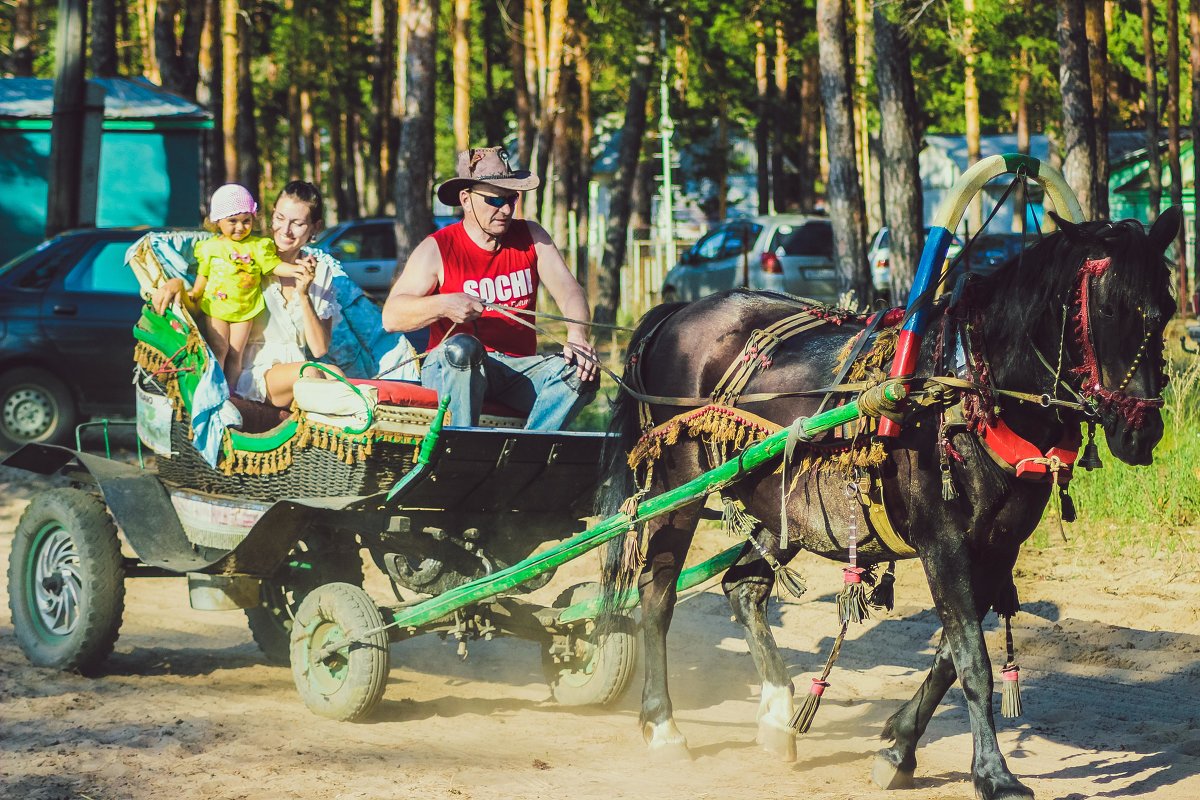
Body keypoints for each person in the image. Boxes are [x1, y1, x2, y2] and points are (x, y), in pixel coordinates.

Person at [382, 146, 598, 430]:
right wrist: (444, 304)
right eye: (495, 200)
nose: (507, 209)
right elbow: (391, 317)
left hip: (517, 370)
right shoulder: (438, 247)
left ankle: (525, 456)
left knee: (581, 372)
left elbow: (570, 291)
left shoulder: (532, 236)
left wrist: (577, 335)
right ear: (466, 199)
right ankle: (462, 452)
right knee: (463, 348)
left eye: (512, 198)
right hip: (453, 367)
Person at [154, 181, 346, 408]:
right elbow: (205, 296)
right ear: (272, 216)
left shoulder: (320, 271)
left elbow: (319, 349)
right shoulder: (247, 257)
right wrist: (176, 284)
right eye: (280, 218)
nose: (285, 230)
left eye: (297, 223)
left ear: (315, 227)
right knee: (310, 372)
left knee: (336, 374)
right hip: (252, 370)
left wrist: (304, 295)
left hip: (296, 368)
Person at [190, 183, 305, 388]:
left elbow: (274, 265)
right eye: (232, 221)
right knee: (219, 347)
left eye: (246, 221)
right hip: (216, 307)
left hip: (245, 310)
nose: (240, 227)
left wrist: (295, 270)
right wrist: (196, 291)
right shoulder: (211, 247)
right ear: (217, 221)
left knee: (236, 353)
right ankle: (213, 388)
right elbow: (203, 273)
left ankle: (231, 394)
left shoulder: (257, 246)